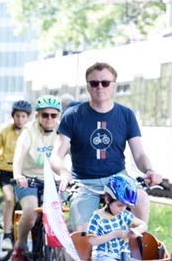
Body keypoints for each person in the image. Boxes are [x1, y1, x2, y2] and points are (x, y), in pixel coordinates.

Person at [49, 62, 162, 234]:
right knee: (84, 235)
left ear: (114, 86)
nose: (99, 87)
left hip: (118, 178)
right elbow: (56, 155)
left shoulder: (126, 115)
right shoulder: (72, 115)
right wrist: (64, 172)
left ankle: (136, 246)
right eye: (94, 83)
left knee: (142, 199)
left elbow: (139, 154)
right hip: (84, 183)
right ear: (87, 86)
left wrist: (149, 169)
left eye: (105, 83)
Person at [11, 95, 62, 261]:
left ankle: (57, 252)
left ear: (58, 117)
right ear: (38, 116)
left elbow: (72, 154)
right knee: (31, 211)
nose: (49, 119)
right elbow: (19, 155)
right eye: (45, 115)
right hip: (28, 179)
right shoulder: (28, 131)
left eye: (53, 115)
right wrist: (18, 174)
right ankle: (21, 244)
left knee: (60, 211)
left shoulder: (61, 131)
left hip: (51, 180)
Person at [0, 100, 32, 251]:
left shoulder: (31, 132)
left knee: (28, 203)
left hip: (23, 172)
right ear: (12, 116)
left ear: (28, 117)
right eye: (17, 116)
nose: (20, 119)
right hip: (5, 171)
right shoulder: (4, 131)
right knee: (9, 199)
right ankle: (7, 236)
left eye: (23, 116)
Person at [86, 174, 147, 261]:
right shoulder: (97, 217)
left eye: (126, 206)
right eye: (119, 205)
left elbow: (143, 225)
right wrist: (114, 234)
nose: (122, 209)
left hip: (123, 256)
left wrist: (135, 231)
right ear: (107, 200)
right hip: (103, 256)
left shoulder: (124, 215)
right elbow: (92, 241)